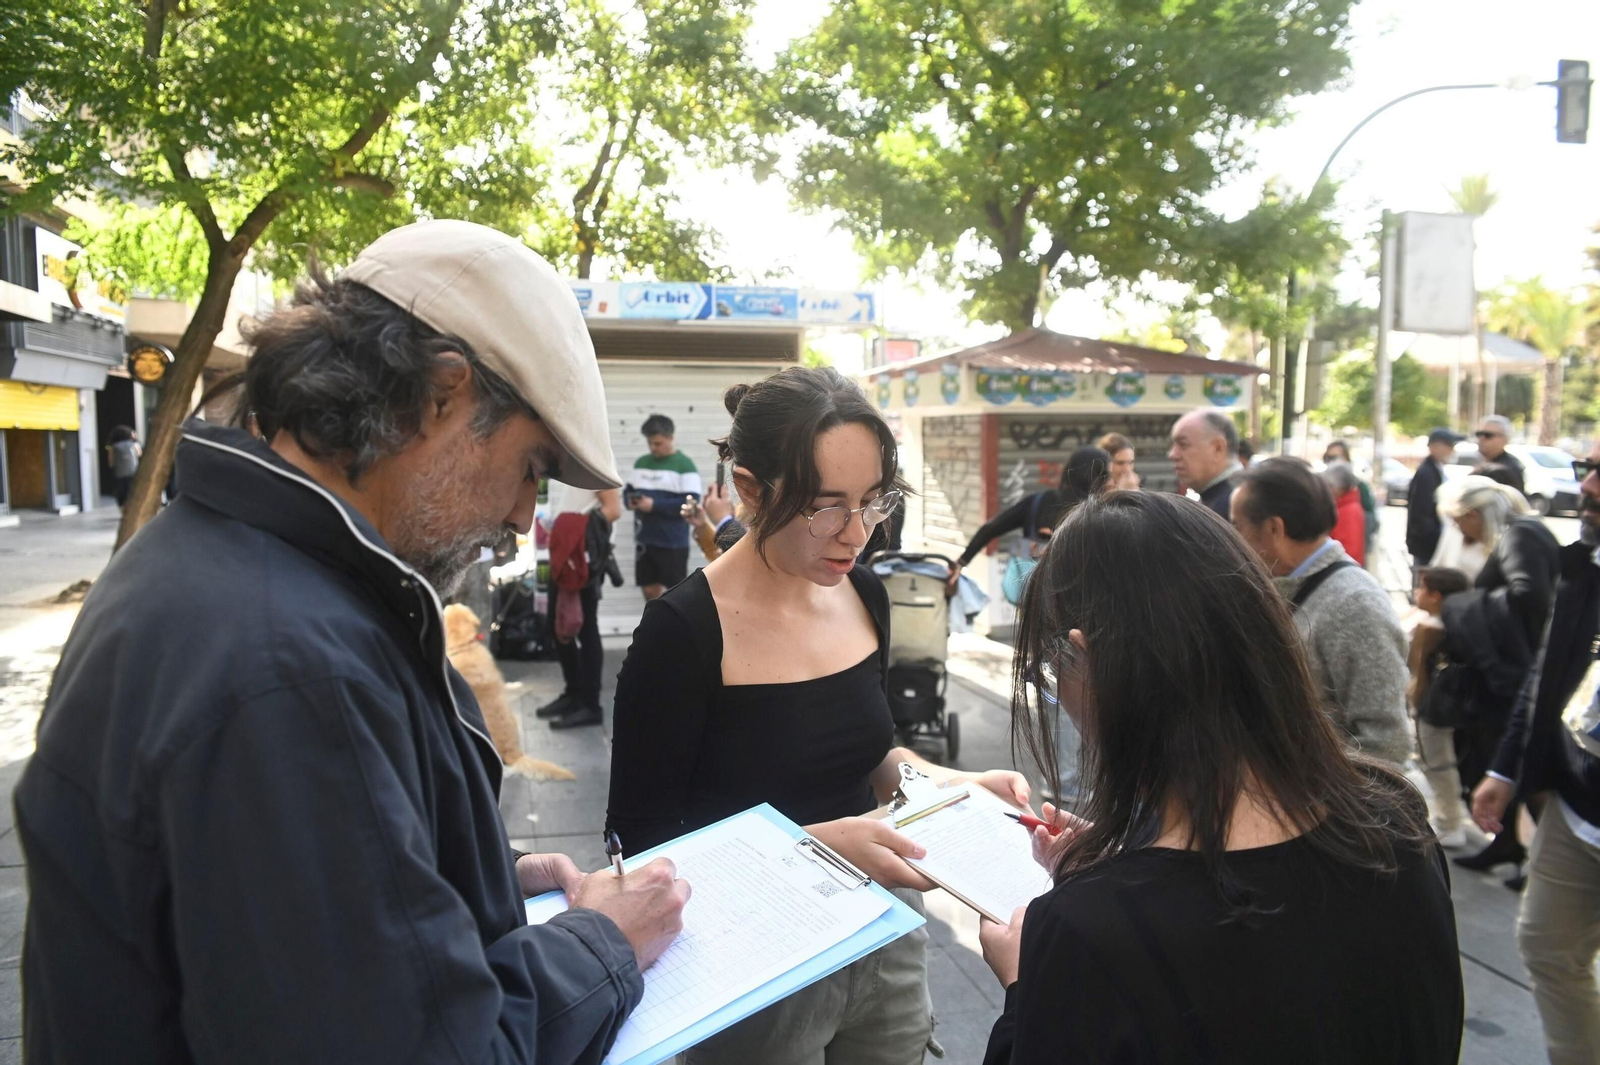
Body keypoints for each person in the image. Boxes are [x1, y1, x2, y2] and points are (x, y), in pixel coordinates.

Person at [13, 221, 691, 1064]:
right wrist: (602, 942)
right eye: (531, 466)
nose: (523, 517)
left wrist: (452, 873)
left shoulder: (216, 561)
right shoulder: (290, 667)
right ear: (442, 396)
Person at [608, 366, 1029, 1065]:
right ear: (749, 489)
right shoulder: (681, 633)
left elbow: (871, 750)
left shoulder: (864, 592)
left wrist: (956, 786)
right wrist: (819, 845)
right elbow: (639, 849)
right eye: (825, 506)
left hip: (883, 930)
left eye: (873, 501)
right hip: (753, 966)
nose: (856, 533)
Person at [978, 490, 1462, 1064]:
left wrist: (1025, 984)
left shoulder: (1086, 934)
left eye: (1052, 670)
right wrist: (1119, 862)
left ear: (1087, 658)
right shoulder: (1396, 822)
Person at [1470, 440, 1600, 1064]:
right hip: (1577, 813)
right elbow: (1547, 673)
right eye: (1589, 470)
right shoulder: (1586, 565)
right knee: (1548, 947)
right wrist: (1506, 767)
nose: (1590, 488)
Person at [1230, 457, 1411, 765]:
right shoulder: (1280, 584)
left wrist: (1320, 806)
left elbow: (1386, 744)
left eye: (1236, 527)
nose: (1232, 539)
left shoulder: (1355, 604)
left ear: (1275, 528)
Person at [1435, 475, 1559, 885]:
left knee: (1522, 766)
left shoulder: (1520, 537)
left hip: (1515, 675)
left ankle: (1541, 861)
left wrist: (1466, 606)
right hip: (1511, 673)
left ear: (1473, 515)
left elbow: (1530, 598)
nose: (1458, 532)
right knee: (1501, 760)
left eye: (1458, 522)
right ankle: (1512, 846)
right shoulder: (1523, 533)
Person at [945, 445, 1111, 589]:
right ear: (1099, 476)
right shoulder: (1098, 511)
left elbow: (991, 528)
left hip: (1034, 599)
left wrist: (961, 563)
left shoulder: (1037, 502)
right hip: (1078, 603)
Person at [539, 482, 624, 730]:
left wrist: (577, 538)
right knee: (559, 627)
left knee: (586, 629)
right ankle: (573, 695)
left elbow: (613, 510)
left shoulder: (597, 461)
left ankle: (590, 705)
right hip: (567, 555)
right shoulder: (577, 462)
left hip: (581, 558)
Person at [1408, 566, 1476, 847]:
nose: (1417, 593)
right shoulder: (1465, 620)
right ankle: (1451, 817)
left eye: (1422, 588)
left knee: (1436, 762)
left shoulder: (1431, 629)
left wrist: (1415, 700)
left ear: (1435, 596)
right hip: (1451, 705)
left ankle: (1450, 822)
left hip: (1433, 707)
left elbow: (1418, 672)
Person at [627, 413, 702, 600]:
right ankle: (654, 628)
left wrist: (654, 505)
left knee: (675, 595)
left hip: (673, 542)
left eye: (658, 443)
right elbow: (628, 490)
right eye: (650, 443)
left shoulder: (685, 465)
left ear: (671, 438)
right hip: (645, 540)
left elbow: (691, 503)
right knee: (649, 591)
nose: (653, 448)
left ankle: (673, 629)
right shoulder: (641, 462)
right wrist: (629, 500)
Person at [1168, 409, 1240, 519]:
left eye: (1183, 444)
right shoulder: (1216, 499)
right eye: (1174, 445)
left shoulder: (1240, 504)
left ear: (1218, 448)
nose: (1172, 455)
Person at [1409, 428, 1464, 572]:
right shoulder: (1426, 473)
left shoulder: (1434, 470)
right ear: (1436, 447)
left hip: (1430, 543)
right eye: (1450, 445)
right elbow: (1421, 513)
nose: (1453, 450)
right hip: (1427, 545)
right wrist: (1435, 538)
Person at [1323, 439, 1377, 547]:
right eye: (1328, 458)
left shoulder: (1359, 488)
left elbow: (1371, 522)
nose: (1332, 462)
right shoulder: (1321, 485)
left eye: (1336, 457)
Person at [1323, 460, 1368, 567]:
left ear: (1341, 487)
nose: (1327, 490)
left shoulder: (1349, 510)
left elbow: (1350, 550)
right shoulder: (1343, 506)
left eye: (1330, 486)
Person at [1475, 414, 1526, 497]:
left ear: (1505, 439)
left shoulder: (1504, 471)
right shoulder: (1484, 464)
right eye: (1479, 434)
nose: (1481, 439)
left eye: (1488, 435)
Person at [105, 424, 141, 508]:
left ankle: (122, 508)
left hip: (119, 473)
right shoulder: (134, 445)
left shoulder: (112, 447)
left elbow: (111, 463)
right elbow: (139, 454)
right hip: (133, 471)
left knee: (121, 492)